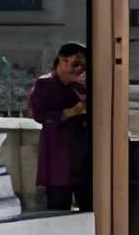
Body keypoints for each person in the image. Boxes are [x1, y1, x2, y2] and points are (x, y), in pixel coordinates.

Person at [26, 42, 91, 212]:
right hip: (58, 155)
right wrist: (68, 113)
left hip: (82, 155)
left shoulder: (80, 86)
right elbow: (39, 115)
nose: (80, 70)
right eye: (76, 64)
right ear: (62, 61)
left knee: (89, 205)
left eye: (84, 66)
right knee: (58, 206)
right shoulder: (45, 83)